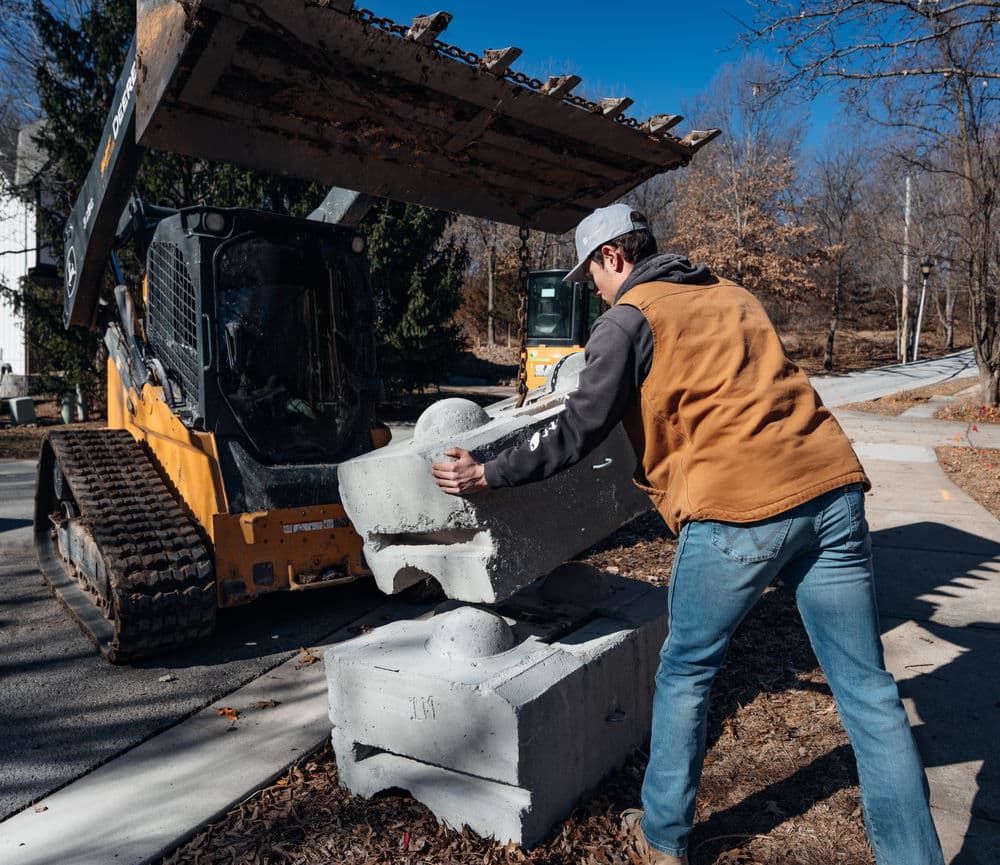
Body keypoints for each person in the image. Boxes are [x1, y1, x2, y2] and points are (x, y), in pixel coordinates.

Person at [431, 203, 944, 865]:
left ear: (613, 257)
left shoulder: (628, 318)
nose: (595, 293)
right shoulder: (731, 294)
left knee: (686, 672)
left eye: (592, 278)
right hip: (831, 487)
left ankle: (663, 836)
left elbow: (577, 431)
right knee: (870, 691)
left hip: (739, 508)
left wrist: (487, 471)